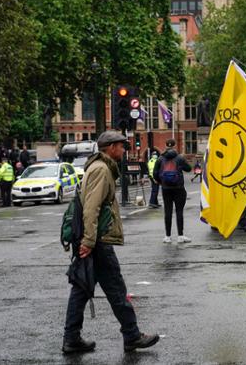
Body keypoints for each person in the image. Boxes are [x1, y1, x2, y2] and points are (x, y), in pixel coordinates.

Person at [63, 131, 160, 354]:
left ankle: (72, 338)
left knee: (81, 288)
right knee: (115, 288)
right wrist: (88, 241)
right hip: (97, 241)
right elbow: (91, 207)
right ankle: (132, 335)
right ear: (111, 147)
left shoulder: (99, 167)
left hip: (94, 239)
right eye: (121, 146)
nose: (124, 150)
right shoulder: (101, 170)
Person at [153, 139, 192, 244]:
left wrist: (162, 182)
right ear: (174, 146)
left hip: (166, 189)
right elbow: (189, 169)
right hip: (179, 188)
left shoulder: (160, 159)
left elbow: (155, 174)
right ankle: (180, 236)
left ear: (165, 146)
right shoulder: (179, 158)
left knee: (168, 211)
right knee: (179, 211)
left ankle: (167, 236)